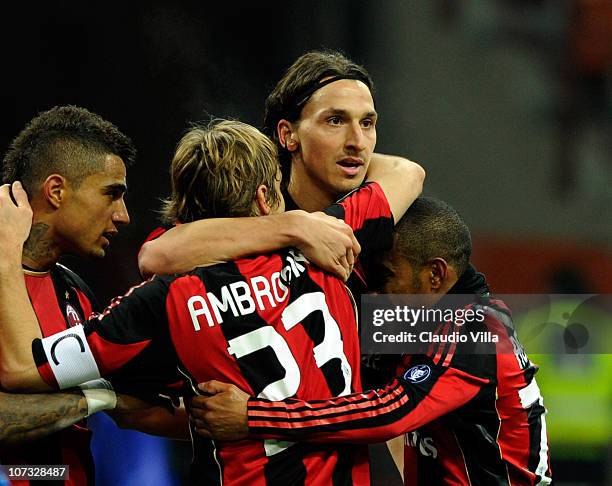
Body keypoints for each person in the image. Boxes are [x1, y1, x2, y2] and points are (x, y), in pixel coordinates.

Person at [0, 119, 421, 485]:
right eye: (112, 194)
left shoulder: (163, 299)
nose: (123, 214)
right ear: (263, 199)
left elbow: (37, 371)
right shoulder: (333, 244)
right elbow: (408, 171)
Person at [188, 197, 553, 486]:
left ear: (435, 275)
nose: (376, 290)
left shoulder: (475, 329)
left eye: (387, 276)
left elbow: (389, 412)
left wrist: (253, 416)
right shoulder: (424, 316)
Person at [0, 105, 141, 485]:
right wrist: (97, 399)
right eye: (111, 194)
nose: (123, 214)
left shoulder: (74, 291)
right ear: (57, 191)